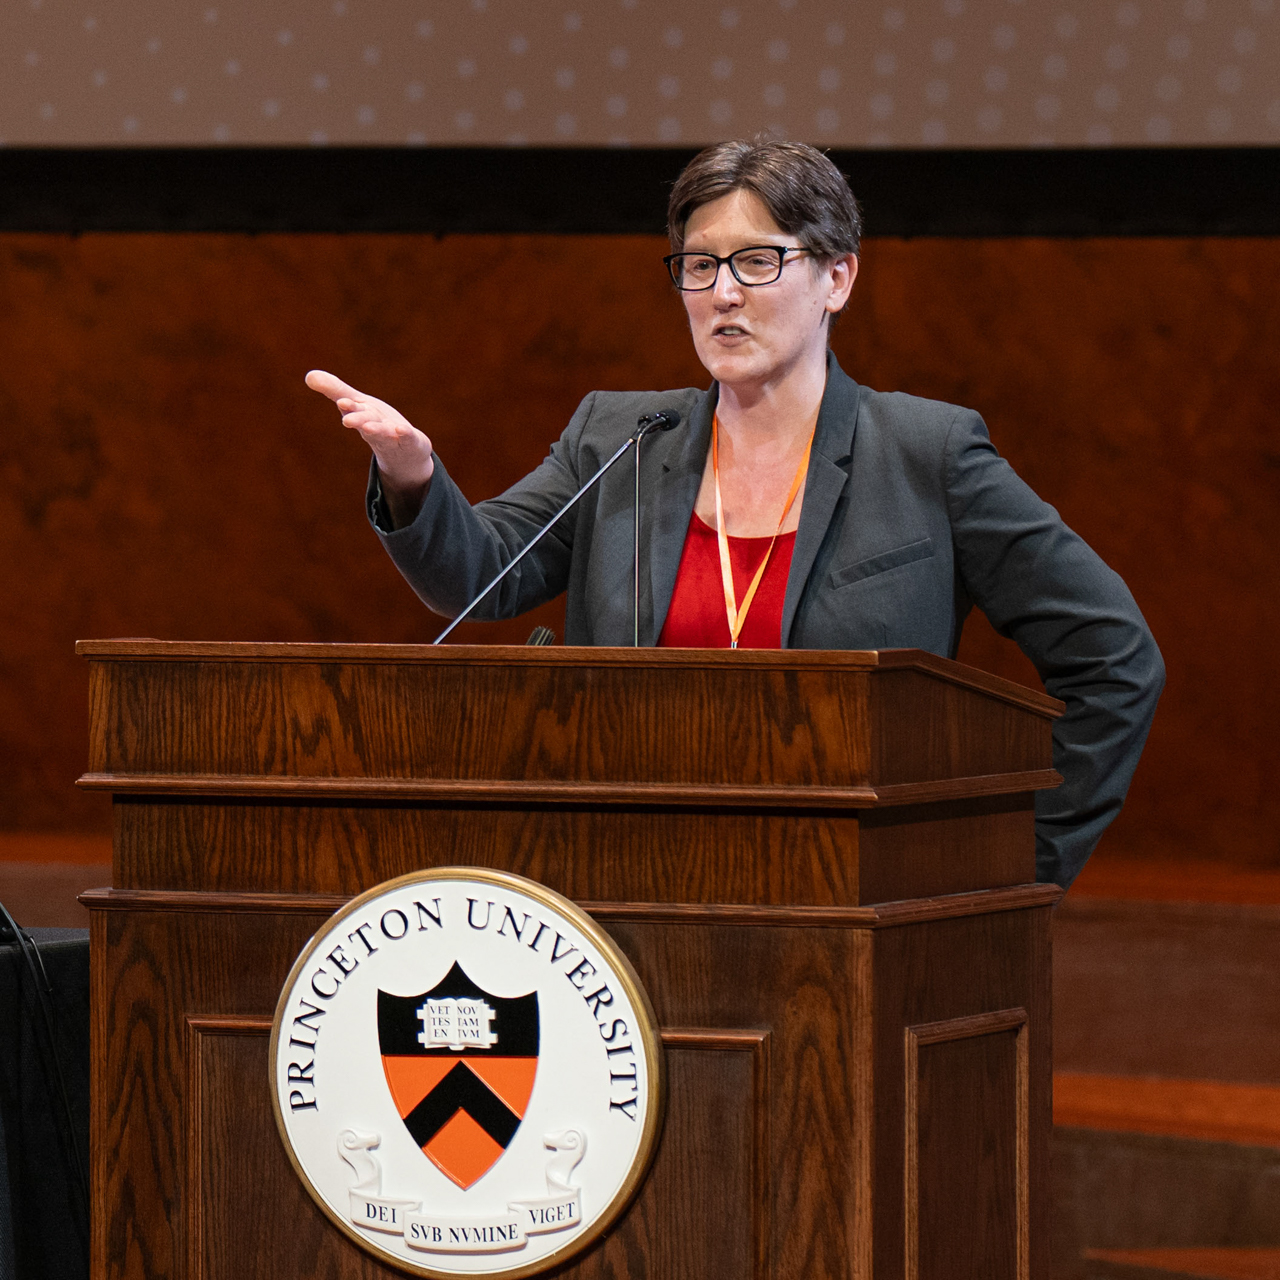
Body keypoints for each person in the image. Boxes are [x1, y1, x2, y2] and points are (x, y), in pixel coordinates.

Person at [305, 138, 1164, 890]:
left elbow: (1114, 661)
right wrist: (412, 474)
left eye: (758, 261)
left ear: (837, 277)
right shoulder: (619, 437)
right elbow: (480, 574)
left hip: (843, 903)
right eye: (699, 264)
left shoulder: (926, 454)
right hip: (622, 895)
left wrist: (1009, 867)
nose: (722, 292)